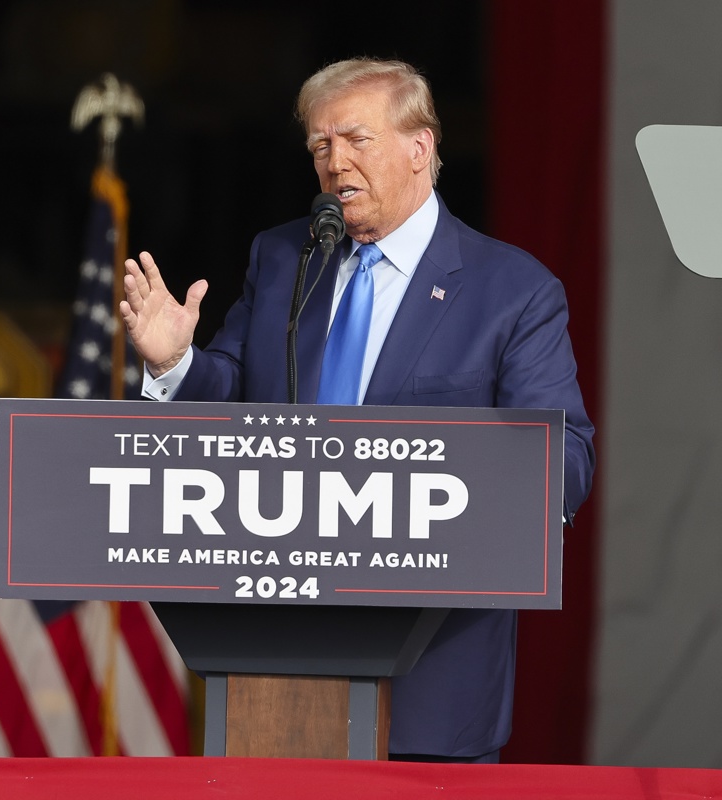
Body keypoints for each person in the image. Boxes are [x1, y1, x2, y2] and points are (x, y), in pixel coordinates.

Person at [119, 57, 595, 763]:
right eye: (319, 145)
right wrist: (173, 364)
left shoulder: (513, 291)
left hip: (430, 686)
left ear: (420, 148)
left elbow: (568, 462)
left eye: (355, 140)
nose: (334, 161)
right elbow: (231, 399)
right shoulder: (284, 258)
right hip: (275, 678)